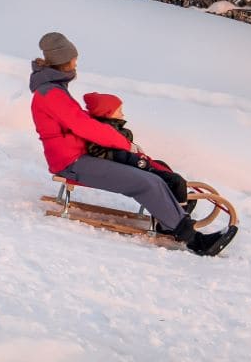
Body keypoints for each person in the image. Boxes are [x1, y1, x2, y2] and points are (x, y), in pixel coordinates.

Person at [29, 31, 226, 256]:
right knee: (146, 182)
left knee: (152, 176)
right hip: (71, 162)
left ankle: (169, 220)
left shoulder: (54, 89)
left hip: (80, 156)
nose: (76, 62)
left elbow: (80, 123)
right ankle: (194, 241)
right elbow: (84, 127)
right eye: (74, 58)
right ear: (63, 61)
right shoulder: (50, 93)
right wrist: (124, 144)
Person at [81, 92, 189, 211]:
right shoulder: (103, 132)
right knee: (176, 180)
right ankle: (180, 215)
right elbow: (103, 153)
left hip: (134, 164)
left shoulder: (116, 130)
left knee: (162, 165)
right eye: (119, 110)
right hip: (129, 168)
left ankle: (178, 200)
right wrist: (135, 159)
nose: (123, 113)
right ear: (108, 114)